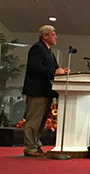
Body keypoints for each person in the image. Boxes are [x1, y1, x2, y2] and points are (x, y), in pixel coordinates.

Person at [21, 25, 68, 157]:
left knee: (41, 121)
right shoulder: (38, 48)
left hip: (45, 91)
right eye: (53, 34)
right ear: (45, 36)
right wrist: (54, 71)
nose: (56, 37)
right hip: (37, 91)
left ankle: (36, 144)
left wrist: (61, 71)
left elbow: (52, 68)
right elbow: (35, 66)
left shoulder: (48, 51)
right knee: (34, 120)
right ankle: (30, 147)